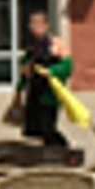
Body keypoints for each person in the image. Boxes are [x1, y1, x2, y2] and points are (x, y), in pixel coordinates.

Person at [20, 11, 73, 148]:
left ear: (46, 25)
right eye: (32, 23)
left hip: (49, 94)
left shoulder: (54, 43)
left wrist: (51, 71)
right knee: (32, 130)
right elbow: (25, 68)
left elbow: (68, 66)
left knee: (47, 128)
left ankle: (66, 151)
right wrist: (18, 90)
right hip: (34, 93)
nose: (34, 27)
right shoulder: (32, 46)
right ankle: (42, 158)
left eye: (38, 23)